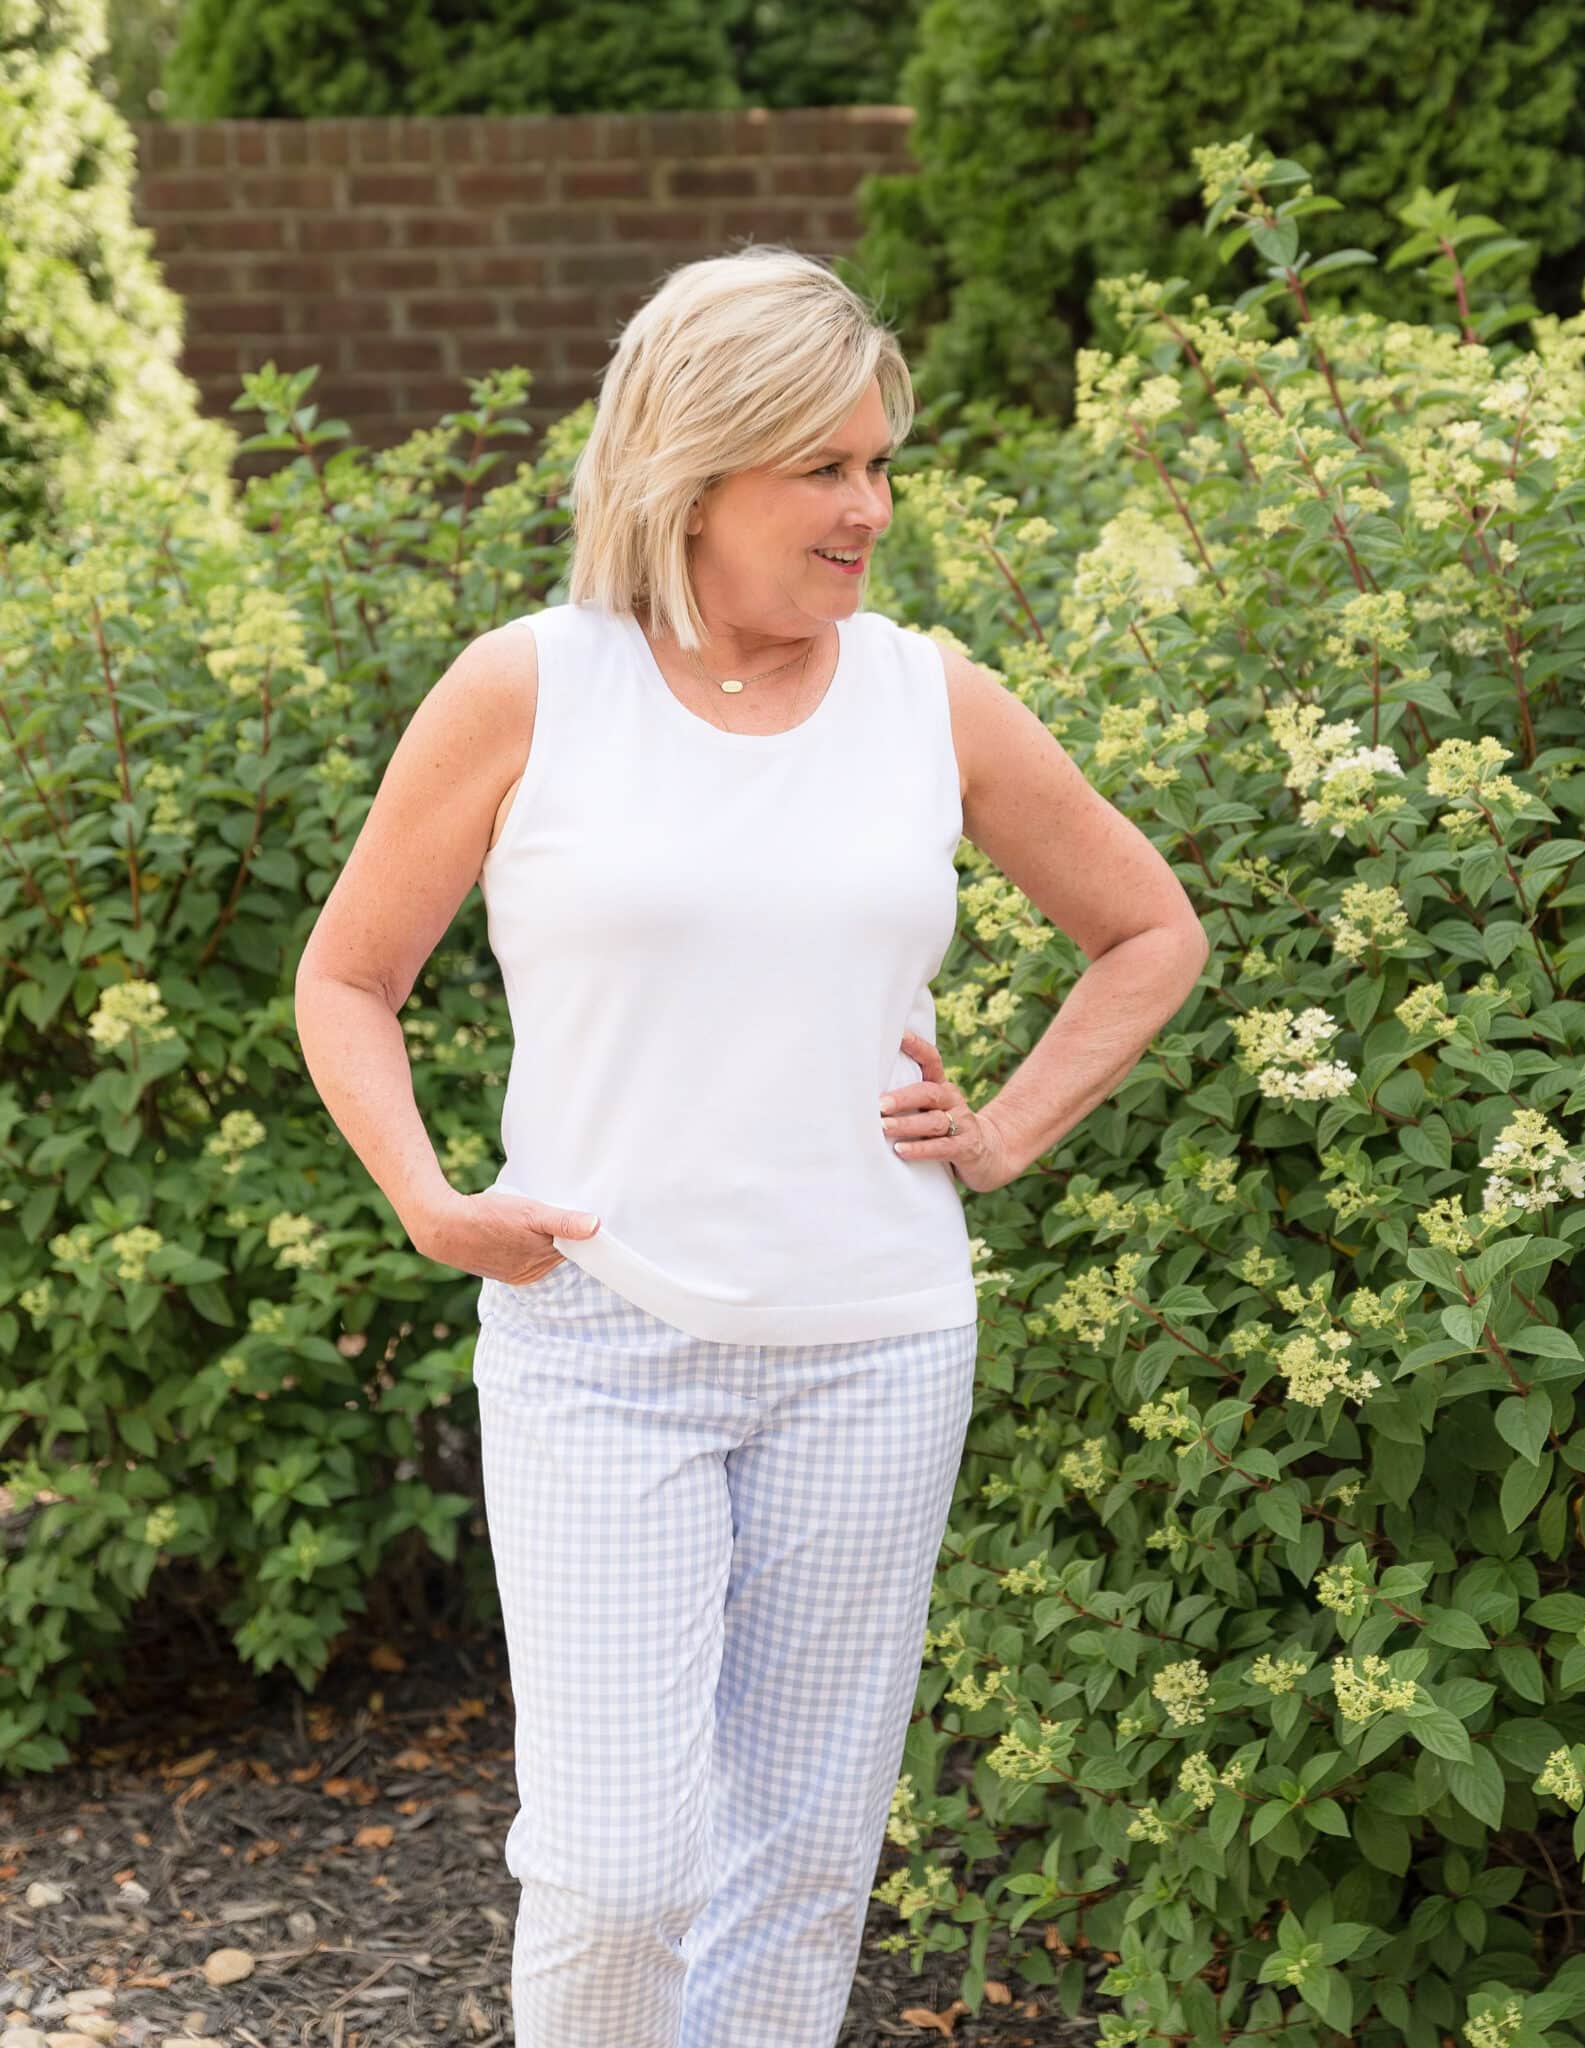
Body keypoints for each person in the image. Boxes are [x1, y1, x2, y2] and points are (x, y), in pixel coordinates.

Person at [293, 243, 1210, 2047]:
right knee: (624, 1866)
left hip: (875, 1347)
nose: (870, 507)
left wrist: (1008, 1127)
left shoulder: (925, 697)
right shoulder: (529, 686)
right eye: (828, 468)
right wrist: (424, 1197)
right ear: (690, 471)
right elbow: (347, 978)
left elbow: (1151, 929)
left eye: (883, 466)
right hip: (596, 1346)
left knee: (796, 1871)